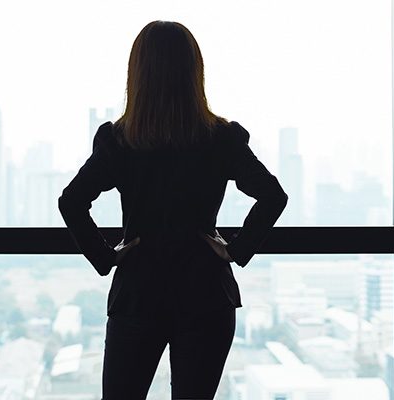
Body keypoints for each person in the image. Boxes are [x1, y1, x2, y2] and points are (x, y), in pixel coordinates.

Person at [58, 20, 288, 400]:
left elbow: (72, 202)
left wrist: (105, 256)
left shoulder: (119, 140)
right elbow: (272, 196)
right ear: (194, 72)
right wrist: (235, 249)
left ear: (138, 73)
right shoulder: (221, 138)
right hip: (206, 295)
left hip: (138, 295)